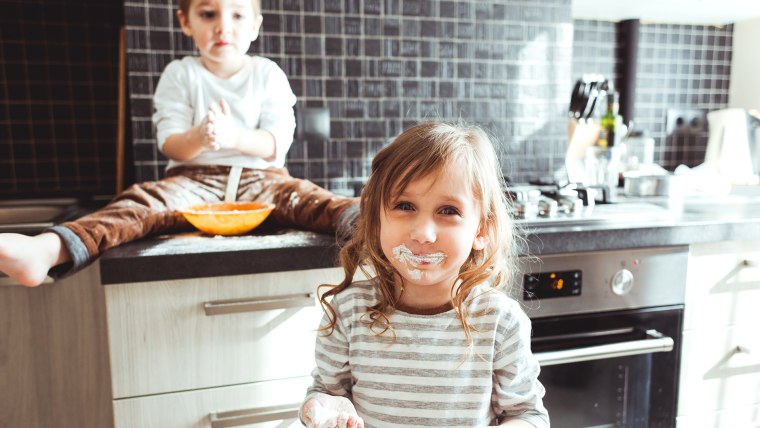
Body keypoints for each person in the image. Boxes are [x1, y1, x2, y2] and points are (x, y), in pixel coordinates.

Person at [0, 0, 357, 287]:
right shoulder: (180, 74)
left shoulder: (267, 73)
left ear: (255, 25)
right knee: (137, 205)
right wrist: (199, 137)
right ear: (186, 22)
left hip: (261, 178)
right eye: (208, 13)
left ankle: (372, 221)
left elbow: (276, 143)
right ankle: (46, 250)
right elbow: (172, 146)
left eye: (236, 14)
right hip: (192, 180)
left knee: (310, 200)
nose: (223, 26)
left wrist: (233, 137)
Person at [299, 122, 549, 428]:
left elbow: (528, 415)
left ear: (481, 230)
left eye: (448, 211)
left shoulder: (499, 322)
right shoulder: (349, 312)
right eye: (405, 206)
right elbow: (323, 393)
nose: (423, 234)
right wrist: (324, 406)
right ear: (377, 220)